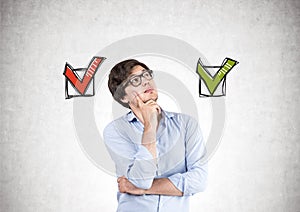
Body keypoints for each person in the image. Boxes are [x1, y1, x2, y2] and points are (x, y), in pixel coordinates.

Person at [103, 59, 208, 212]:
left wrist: (143, 190)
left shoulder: (186, 125)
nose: (146, 82)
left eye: (147, 75)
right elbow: (142, 180)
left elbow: (199, 181)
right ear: (123, 97)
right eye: (136, 80)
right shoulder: (116, 131)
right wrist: (149, 126)